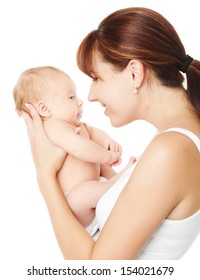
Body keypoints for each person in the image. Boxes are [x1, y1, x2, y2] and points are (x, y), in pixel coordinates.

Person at [20, 7, 200, 259]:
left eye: (96, 78)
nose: (91, 95)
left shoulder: (172, 149)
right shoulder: (180, 141)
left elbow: (97, 272)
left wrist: (45, 177)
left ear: (135, 73)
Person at [13, 66, 136, 236]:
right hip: (78, 206)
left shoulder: (75, 125)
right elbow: (78, 147)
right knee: (81, 192)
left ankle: (116, 180)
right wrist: (106, 155)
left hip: (95, 186)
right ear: (44, 109)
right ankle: (117, 184)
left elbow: (92, 132)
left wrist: (107, 141)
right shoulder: (53, 127)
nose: (79, 102)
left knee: (96, 161)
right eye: (71, 97)